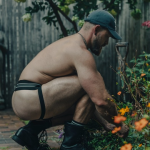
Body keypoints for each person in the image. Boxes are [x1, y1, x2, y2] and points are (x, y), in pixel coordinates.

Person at [11, 10, 129, 150]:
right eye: (107, 36)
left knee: (85, 95)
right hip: (31, 97)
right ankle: (71, 146)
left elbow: (86, 106)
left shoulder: (70, 42)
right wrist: (119, 124)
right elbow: (101, 100)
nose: (106, 42)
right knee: (91, 88)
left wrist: (104, 123)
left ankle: (29, 132)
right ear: (96, 29)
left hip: (25, 98)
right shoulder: (80, 52)